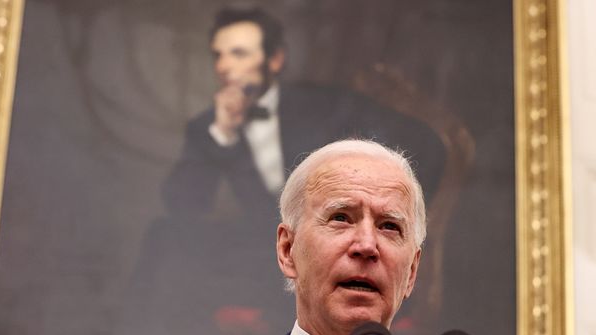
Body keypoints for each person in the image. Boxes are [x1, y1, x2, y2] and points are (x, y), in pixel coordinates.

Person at [131, 139, 519, 335]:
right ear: (287, 250)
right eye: (341, 218)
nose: (367, 245)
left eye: (389, 226)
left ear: (412, 271)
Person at [163, 7, 447, 226]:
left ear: (274, 60)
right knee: (161, 238)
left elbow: (424, 145)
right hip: (255, 261)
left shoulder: (328, 105)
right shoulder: (207, 128)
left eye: (238, 54)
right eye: (218, 55)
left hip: (333, 243)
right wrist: (223, 133)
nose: (224, 66)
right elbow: (183, 208)